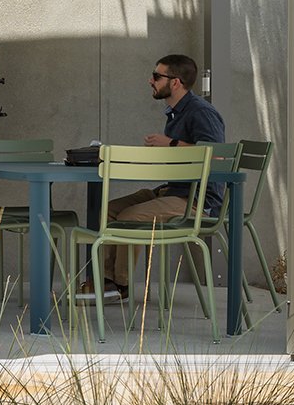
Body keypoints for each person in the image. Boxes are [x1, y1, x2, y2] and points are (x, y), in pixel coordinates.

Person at [88, 53, 224, 303]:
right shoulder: (175, 114)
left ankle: (119, 285)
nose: (150, 80)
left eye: (156, 76)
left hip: (197, 200)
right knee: (106, 211)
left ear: (175, 82)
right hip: (172, 192)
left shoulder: (201, 112)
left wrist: (171, 143)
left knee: (130, 218)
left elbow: (217, 158)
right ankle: (106, 282)